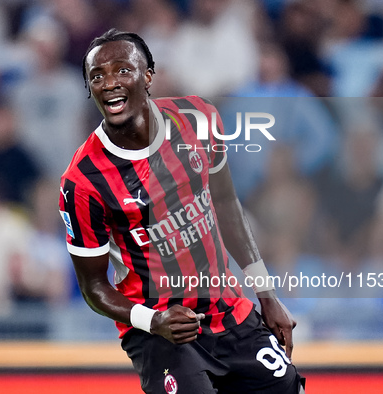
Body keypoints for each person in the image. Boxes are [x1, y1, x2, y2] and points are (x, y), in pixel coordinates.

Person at [59, 29, 305, 393]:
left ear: (148, 76)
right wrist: (154, 320)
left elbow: (225, 205)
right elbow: (93, 286)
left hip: (229, 311)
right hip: (162, 332)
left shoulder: (198, 118)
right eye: (97, 76)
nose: (109, 83)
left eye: (122, 70)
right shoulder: (82, 181)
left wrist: (267, 296)